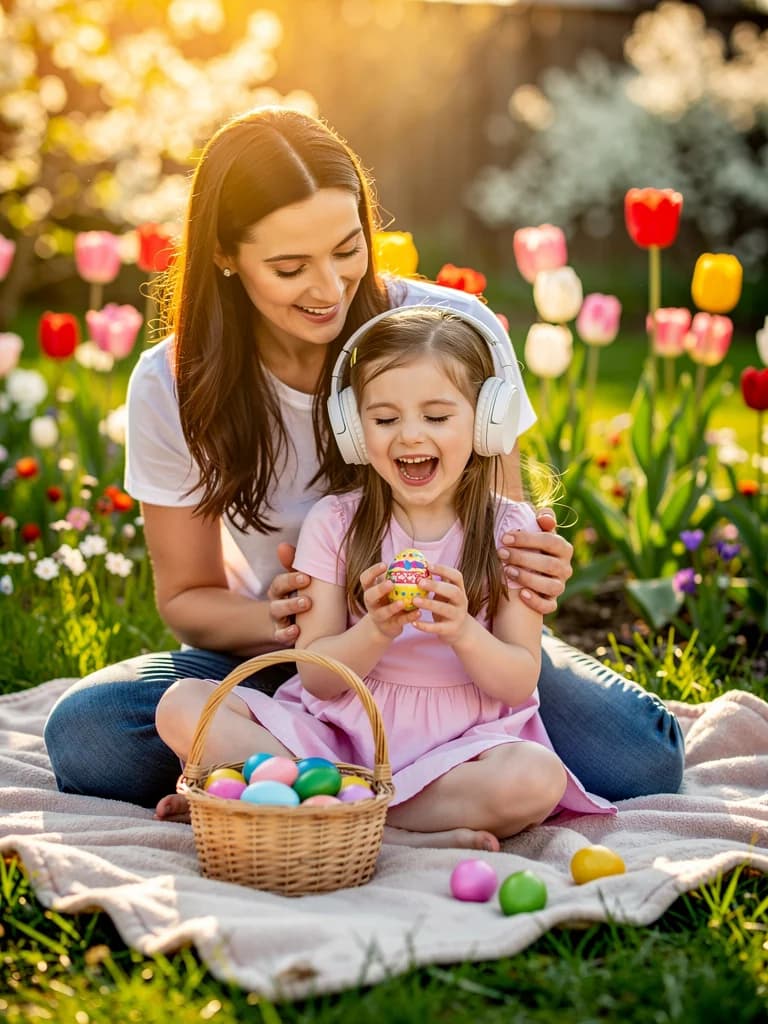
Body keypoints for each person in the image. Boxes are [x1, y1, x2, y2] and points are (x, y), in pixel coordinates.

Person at [42, 107, 684, 816]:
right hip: (304, 659)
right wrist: (308, 618)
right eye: (290, 267)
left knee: (643, 757)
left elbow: (495, 528)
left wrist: (528, 570)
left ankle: (304, 794)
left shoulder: (451, 331)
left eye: (348, 249)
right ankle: (387, 799)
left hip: (454, 657)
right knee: (91, 736)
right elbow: (187, 600)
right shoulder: (171, 383)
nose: (329, 287)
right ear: (226, 255)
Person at [156, 307, 615, 848]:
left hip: (459, 750)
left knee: (536, 778)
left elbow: (517, 680)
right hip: (337, 742)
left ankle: (336, 818)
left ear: (485, 420)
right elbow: (320, 678)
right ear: (353, 429)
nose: (409, 436)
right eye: (385, 418)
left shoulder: (510, 529)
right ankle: (362, 814)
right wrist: (375, 629)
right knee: (181, 704)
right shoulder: (335, 522)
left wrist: (463, 631)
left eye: (438, 417)